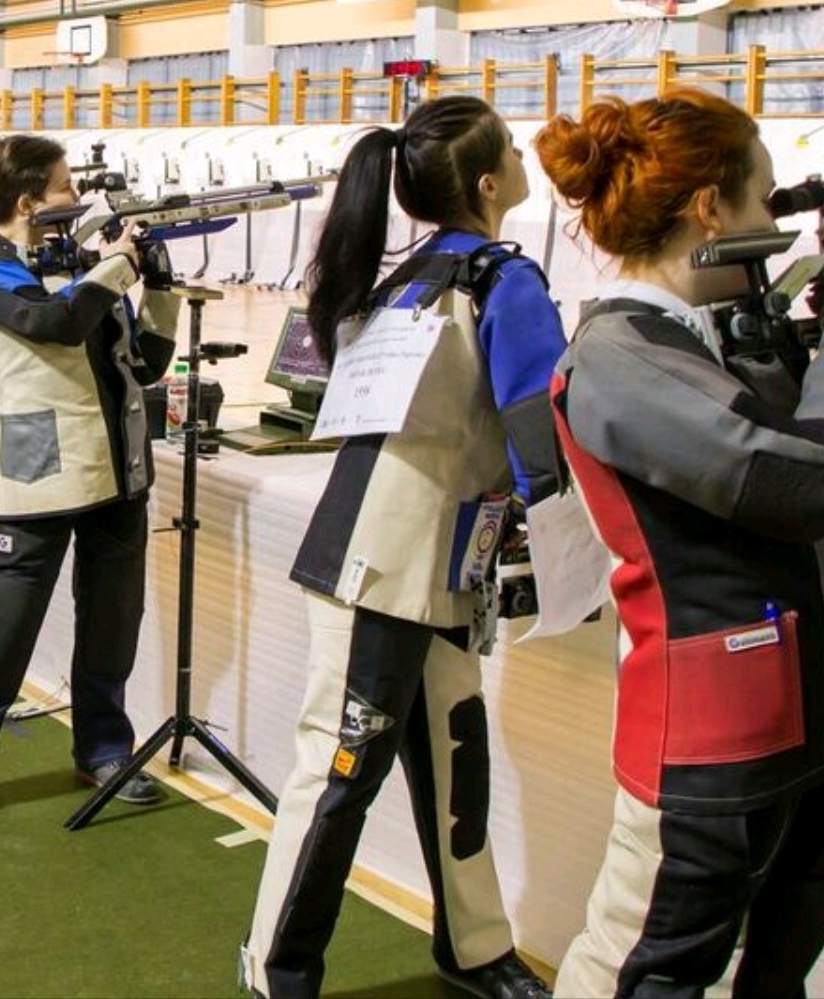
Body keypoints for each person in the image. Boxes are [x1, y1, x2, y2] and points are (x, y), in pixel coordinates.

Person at [532, 87, 824, 996]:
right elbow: (802, 480)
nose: (776, 220)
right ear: (709, 208)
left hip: (814, 710)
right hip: (711, 736)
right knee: (652, 970)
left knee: (779, 966)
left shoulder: (718, 342)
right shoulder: (620, 358)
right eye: (766, 198)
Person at [241, 97, 559, 999]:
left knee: (455, 758)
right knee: (338, 775)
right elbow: (544, 436)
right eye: (511, 144)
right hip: (386, 565)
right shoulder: (500, 278)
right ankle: (277, 967)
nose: (523, 152)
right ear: (489, 183)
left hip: (422, 561)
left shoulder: (414, 274)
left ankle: (475, 945)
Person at [0, 133, 177, 839]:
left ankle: (104, 750)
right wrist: (117, 267)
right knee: (1, 627)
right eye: (64, 187)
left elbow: (144, 364)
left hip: (119, 465)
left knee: (112, 620)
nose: (77, 197)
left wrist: (162, 286)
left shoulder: (83, 266)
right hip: (38, 468)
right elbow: (51, 324)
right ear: (27, 201)